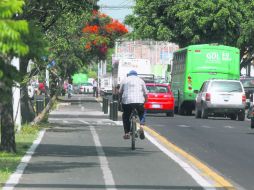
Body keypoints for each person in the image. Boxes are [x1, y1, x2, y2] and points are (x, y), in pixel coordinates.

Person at [119, 70, 148, 140]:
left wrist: (120, 101)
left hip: (127, 102)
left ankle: (127, 133)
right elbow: (146, 93)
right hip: (139, 101)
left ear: (128, 75)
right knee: (142, 112)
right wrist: (145, 101)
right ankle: (141, 125)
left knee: (126, 116)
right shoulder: (141, 80)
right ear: (136, 75)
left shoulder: (124, 80)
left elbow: (120, 92)